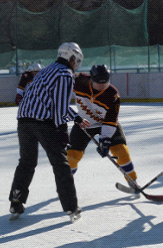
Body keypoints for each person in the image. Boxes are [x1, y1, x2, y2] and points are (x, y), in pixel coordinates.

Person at [8, 42, 88, 223]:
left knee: (26, 163)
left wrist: (76, 119)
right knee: (61, 164)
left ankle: (16, 201)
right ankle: (71, 207)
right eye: (77, 61)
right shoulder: (65, 73)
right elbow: (60, 108)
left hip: (23, 122)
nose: (76, 65)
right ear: (72, 58)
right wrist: (63, 131)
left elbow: (53, 103)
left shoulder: (46, 70)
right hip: (43, 123)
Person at [67, 64, 140, 195]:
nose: (101, 87)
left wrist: (105, 140)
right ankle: (65, 183)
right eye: (98, 84)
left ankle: (133, 182)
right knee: (71, 157)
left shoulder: (113, 94)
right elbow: (61, 82)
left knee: (121, 152)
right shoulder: (79, 80)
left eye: (105, 83)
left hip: (106, 124)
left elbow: (111, 120)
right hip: (84, 123)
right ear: (91, 79)